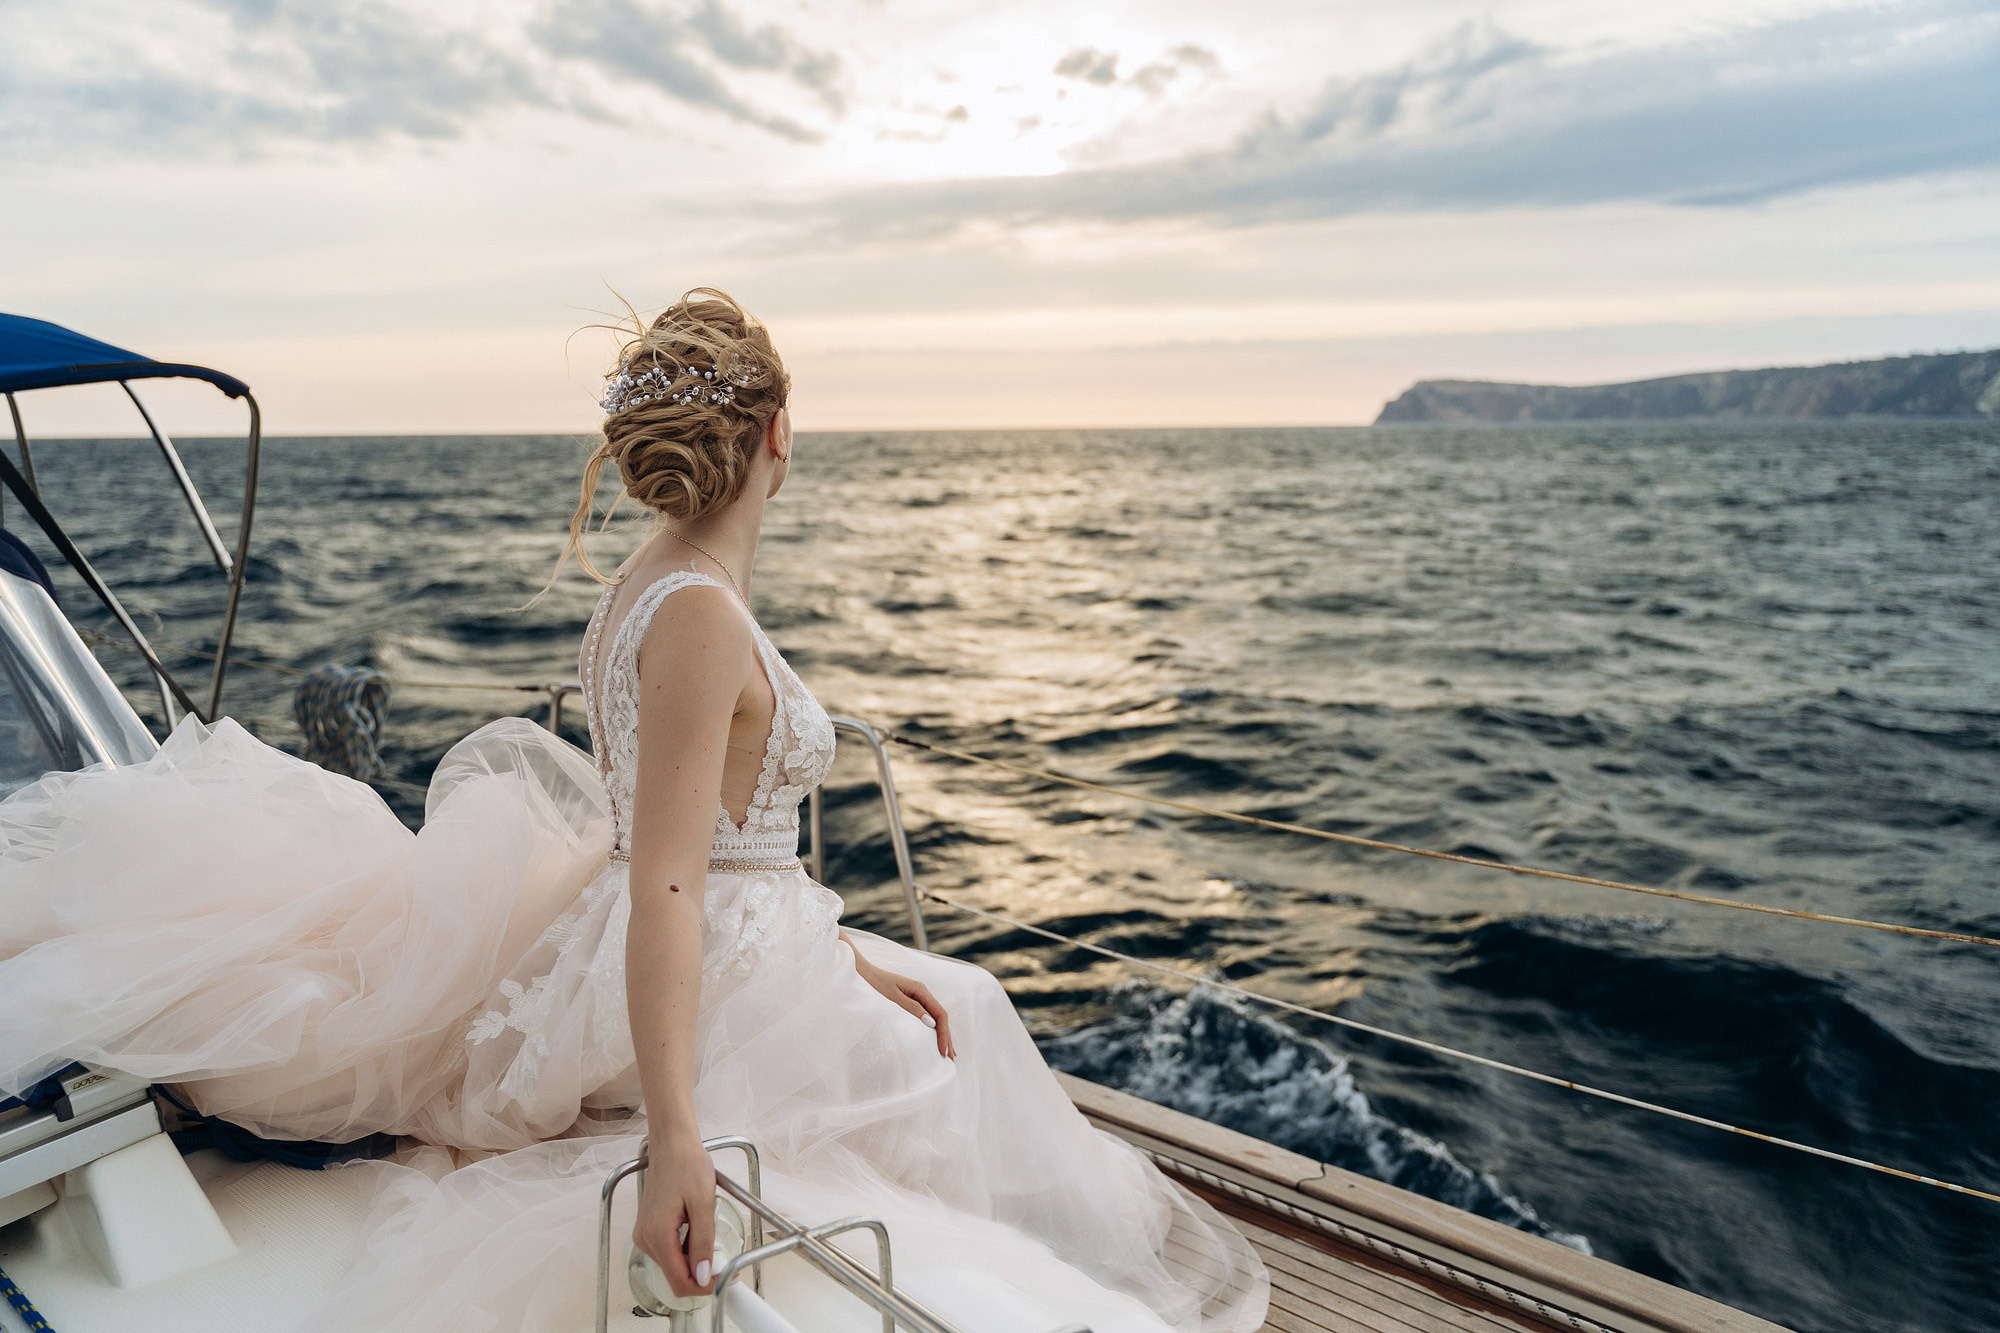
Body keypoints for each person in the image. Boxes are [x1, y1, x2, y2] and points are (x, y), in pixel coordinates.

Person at [0, 290, 1268, 1333]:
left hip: (754, 930)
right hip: (711, 956)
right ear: (775, 431)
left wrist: (840, 954)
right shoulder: (699, 612)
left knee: (946, 1000)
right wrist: (677, 1134)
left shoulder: (653, 579)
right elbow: (669, 873)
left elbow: (717, 839)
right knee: (975, 1019)